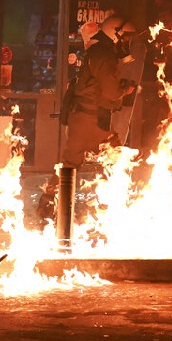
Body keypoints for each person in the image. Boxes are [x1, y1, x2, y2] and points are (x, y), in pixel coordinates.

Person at [37, 16, 137, 222]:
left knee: (72, 162)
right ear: (114, 34)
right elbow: (110, 91)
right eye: (125, 37)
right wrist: (125, 89)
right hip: (90, 118)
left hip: (82, 117)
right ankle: (111, 206)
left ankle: (47, 204)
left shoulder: (99, 51)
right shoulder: (104, 54)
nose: (127, 42)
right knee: (115, 156)